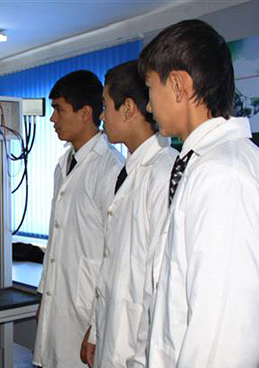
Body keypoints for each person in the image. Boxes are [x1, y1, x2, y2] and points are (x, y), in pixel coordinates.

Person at [138, 19, 259, 367]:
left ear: (178, 85)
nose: (149, 106)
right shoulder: (210, 164)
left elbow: (223, 338)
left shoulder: (224, 174)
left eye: (150, 89)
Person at [79, 60, 177, 367]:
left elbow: (160, 284)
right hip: (113, 334)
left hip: (140, 350)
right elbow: (111, 265)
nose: (102, 116)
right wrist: (95, 330)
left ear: (129, 108)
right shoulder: (127, 171)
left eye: (106, 106)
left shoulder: (164, 173)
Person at [33, 70, 124, 368]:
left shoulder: (111, 170)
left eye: (58, 109)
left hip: (87, 314)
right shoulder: (63, 166)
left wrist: (98, 327)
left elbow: (115, 256)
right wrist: (44, 295)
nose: (52, 119)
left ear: (86, 113)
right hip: (58, 302)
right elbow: (57, 239)